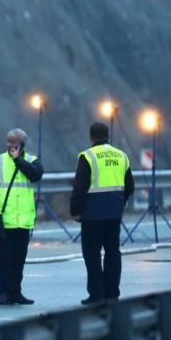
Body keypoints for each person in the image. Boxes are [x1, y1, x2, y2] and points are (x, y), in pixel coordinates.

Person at [0, 128, 43, 306]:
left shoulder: (31, 161)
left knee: (19, 259)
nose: (10, 145)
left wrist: (18, 160)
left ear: (22, 144)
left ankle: (16, 292)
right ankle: (4, 293)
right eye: (8, 141)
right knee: (4, 259)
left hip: (23, 220)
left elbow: (36, 175)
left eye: (14, 142)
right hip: (3, 220)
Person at [71, 122, 134, 305]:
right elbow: (129, 186)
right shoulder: (121, 155)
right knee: (113, 252)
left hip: (92, 214)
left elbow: (79, 187)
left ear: (91, 137)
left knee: (92, 254)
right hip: (114, 213)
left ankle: (97, 294)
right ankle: (112, 293)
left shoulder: (88, 156)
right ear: (107, 135)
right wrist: (121, 202)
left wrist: (75, 211)